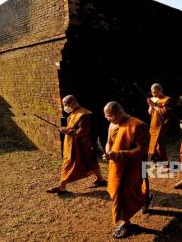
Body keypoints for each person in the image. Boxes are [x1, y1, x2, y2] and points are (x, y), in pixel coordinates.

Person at [103, 101, 151, 238]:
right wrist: (108, 152)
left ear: (119, 113)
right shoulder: (112, 124)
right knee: (116, 191)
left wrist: (119, 154)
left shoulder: (138, 125)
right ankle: (145, 198)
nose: (107, 119)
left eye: (109, 116)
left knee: (126, 192)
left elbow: (142, 149)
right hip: (117, 165)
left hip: (132, 166)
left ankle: (126, 223)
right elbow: (109, 142)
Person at [46, 95, 106, 194]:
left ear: (73, 103)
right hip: (76, 143)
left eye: (65, 104)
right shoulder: (74, 113)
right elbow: (72, 127)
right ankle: (100, 179)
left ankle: (62, 187)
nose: (64, 107)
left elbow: (82, 132)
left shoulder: (84, 115)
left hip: (81, 144)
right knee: (90, 161)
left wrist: (66, 130)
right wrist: (65, 129)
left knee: (68, 164)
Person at [147, 83, 173, 164]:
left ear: (160, 90)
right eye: (152, 92)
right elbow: (149, 112)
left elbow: (164, 112)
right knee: (153, 143)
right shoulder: (153, 99)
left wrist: (154, 105)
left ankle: (165, 162)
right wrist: (151, 106)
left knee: (160, 143)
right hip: (154, 123)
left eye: (155, 92)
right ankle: (156, 160)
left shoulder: (167, 99)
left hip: (162, 124)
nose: (153, 94)